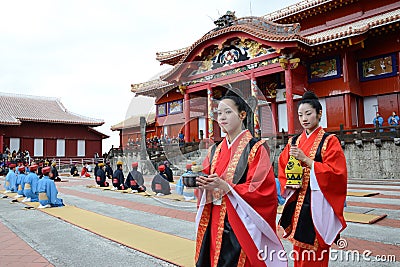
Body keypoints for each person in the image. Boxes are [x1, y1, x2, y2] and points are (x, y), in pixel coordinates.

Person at [195, 91, 285, 266]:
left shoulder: (256, 148)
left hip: (240, 220)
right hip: (214, 218)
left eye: (228, 112)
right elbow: (206, 175)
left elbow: (263, 190)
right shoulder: (215, 150)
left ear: (242, 115)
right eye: (219, 113)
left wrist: (228, 187)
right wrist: (201, 183)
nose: (222, 117)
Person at [278, 91, 347, 267]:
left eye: (308, 113)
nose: (304, 119)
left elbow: (337, 174)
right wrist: (290, 182)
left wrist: (307, 161)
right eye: (300, 115)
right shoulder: (294, 141)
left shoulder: (329, 141)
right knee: (298, 252)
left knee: (316, 252)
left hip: (317, 204)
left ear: (319, 113)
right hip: (297, 204)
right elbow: (283, 168)